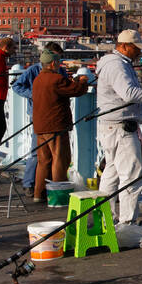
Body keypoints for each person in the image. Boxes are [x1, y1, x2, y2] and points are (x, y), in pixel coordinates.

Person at [95, 29, 142, 246]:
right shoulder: (117, 65)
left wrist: (140, 114)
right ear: (125, 46)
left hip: (113, 126)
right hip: (121, 130)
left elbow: (122, 98)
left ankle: (106, 219)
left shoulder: (111, 63)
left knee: (111, 173)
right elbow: (129, 93)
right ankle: (127, 224)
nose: (139, 53)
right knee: (132, 176)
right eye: (137, 48)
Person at [30, 48, 88, 203]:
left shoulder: (38, 79)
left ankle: (39, 194)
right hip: (55, 125)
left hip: (40, 126)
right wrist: (82, 80)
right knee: (59, 159)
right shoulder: (55, 79)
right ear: (53, 63)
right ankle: (58, 196)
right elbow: (75, 90)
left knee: (43, 161)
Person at [13, 42, 66, 193]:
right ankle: (29, 183)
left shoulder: (60, 71)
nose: (58, 62)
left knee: (53, 154)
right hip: (38, 115)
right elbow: (17, 86)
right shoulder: (33, 70)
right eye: (57, 58)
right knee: (37, 152)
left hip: (56, 116)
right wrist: (33, 95)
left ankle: (44, 185)